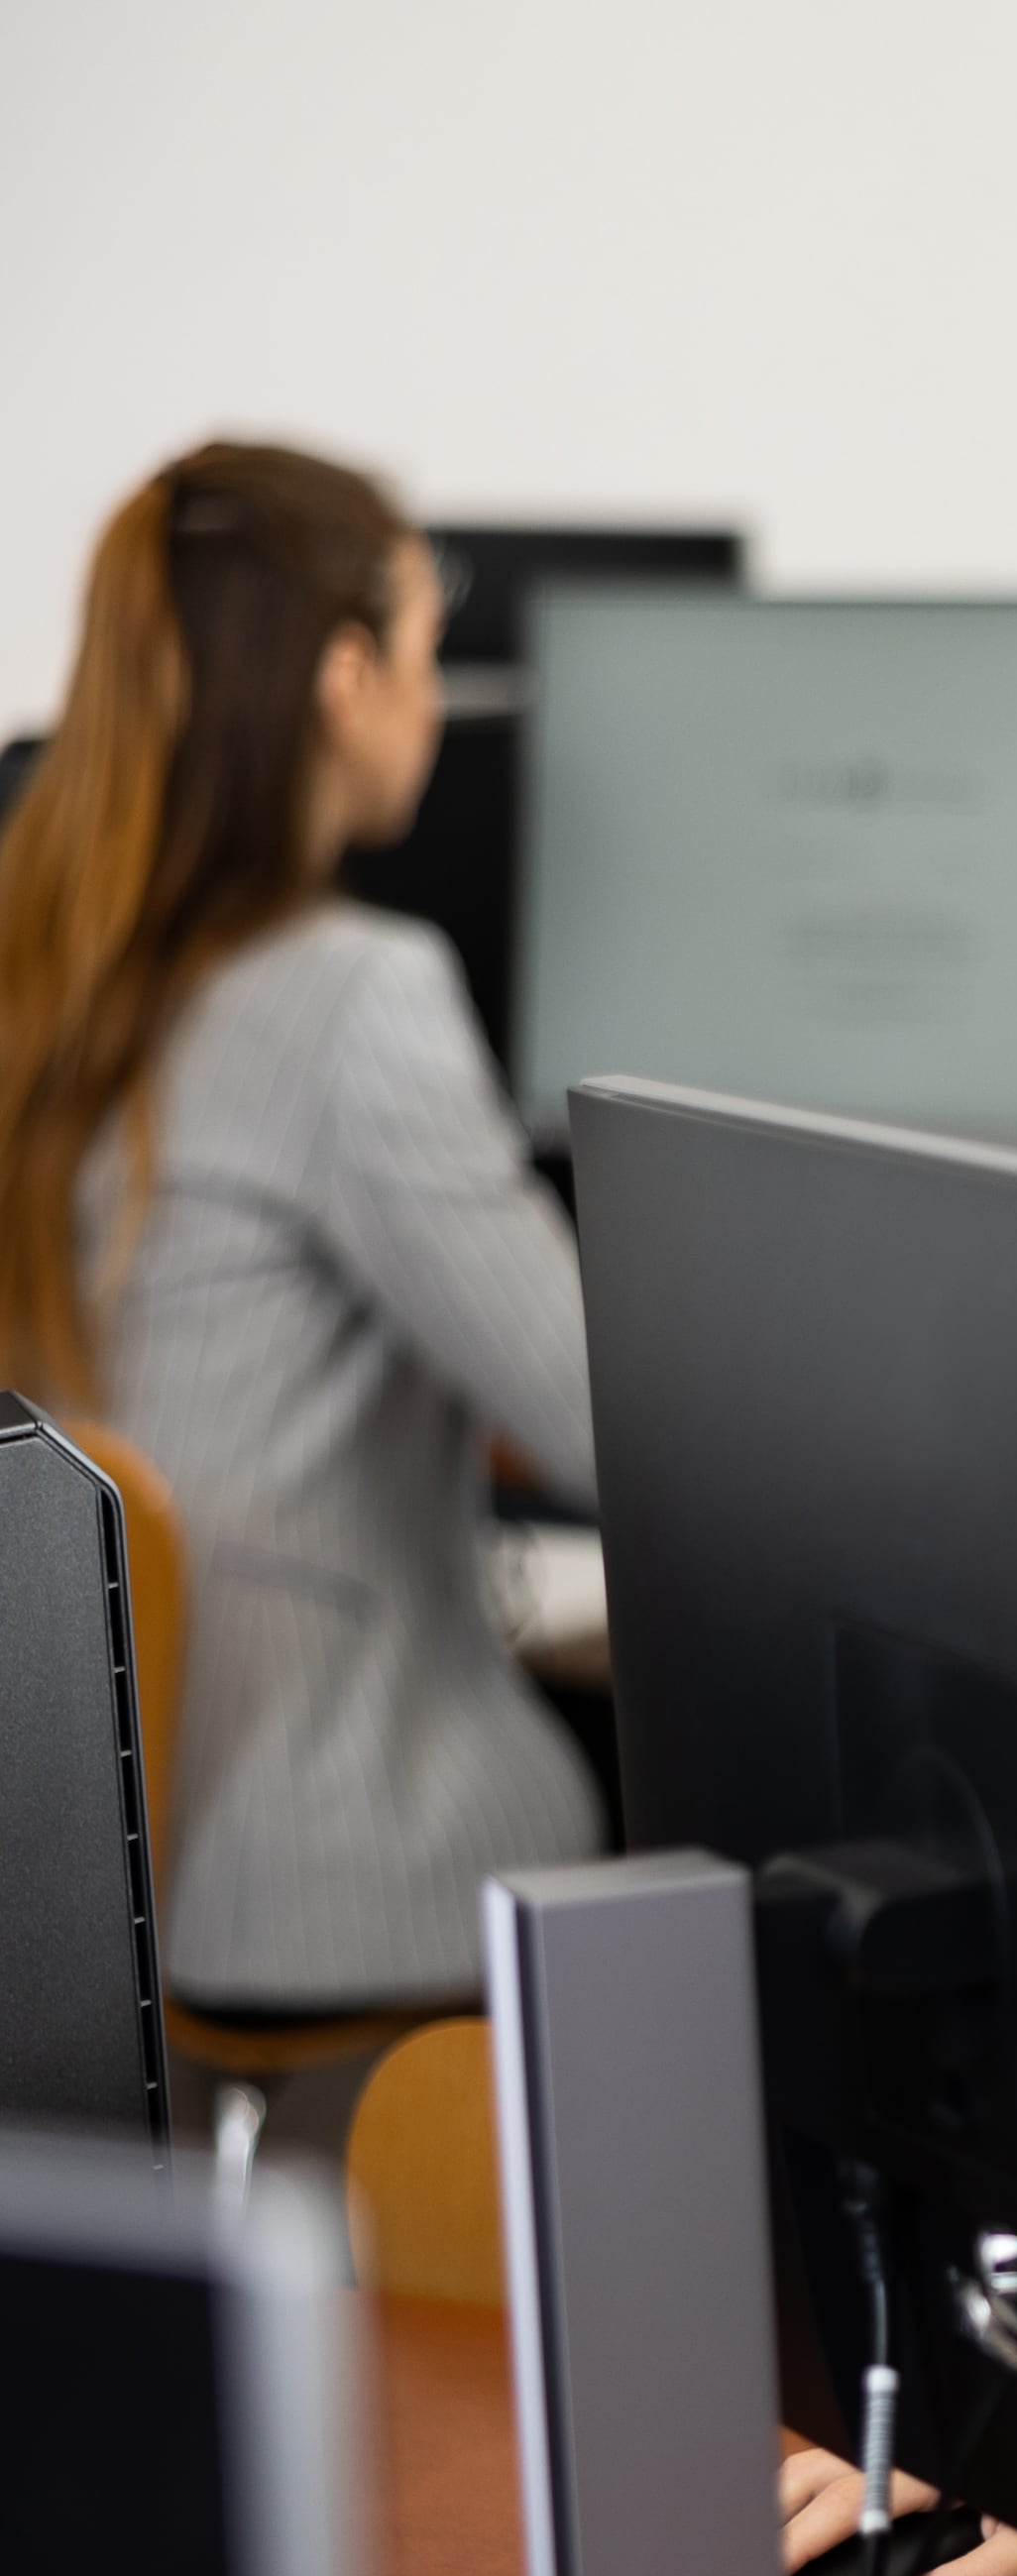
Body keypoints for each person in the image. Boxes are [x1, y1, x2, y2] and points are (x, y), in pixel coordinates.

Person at [0, 443, 591, 2020]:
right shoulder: (351, 999)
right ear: (342, 677)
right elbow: (605, 1417)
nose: (430, 697)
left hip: (88, 1859)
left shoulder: (43, 962)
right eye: (417, 646)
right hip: (335, 1861)